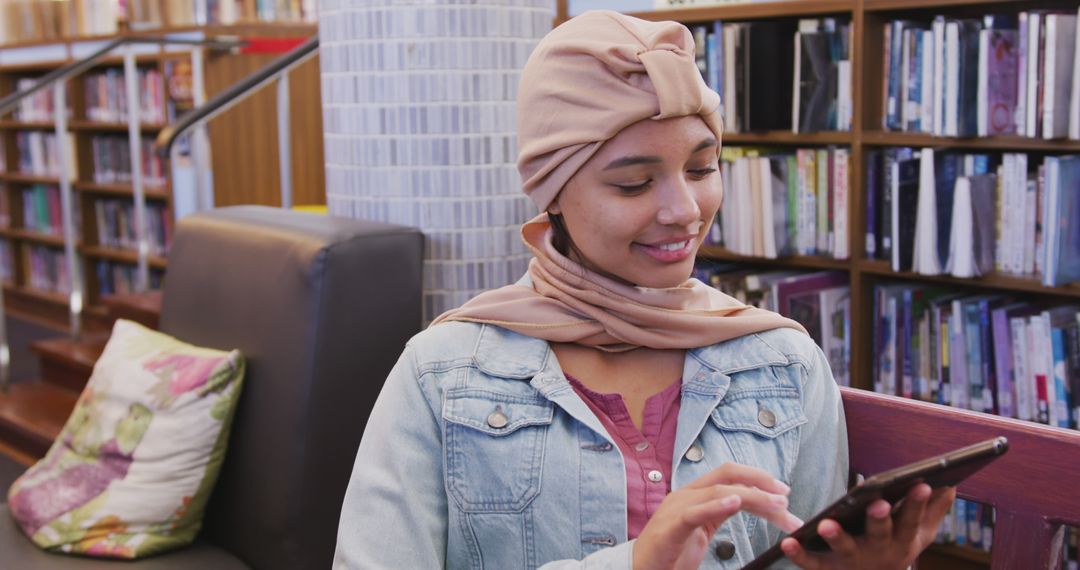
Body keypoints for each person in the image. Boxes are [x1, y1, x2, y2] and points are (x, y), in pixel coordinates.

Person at [334, 10, 954, 569]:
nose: (685, 210)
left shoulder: (784, 362)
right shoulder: (442, 375)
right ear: (552, 197)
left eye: (702, 167)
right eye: (633, 184)